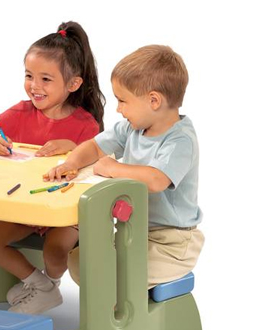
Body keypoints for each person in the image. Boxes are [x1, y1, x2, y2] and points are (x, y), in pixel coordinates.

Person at [45, 45, 204, 289]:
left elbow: (156, 180)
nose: (118, 109)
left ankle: (122, 308)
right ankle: (115, 304)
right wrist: (71, 163)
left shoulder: (180, 140)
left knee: (103, 271)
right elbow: (95, 147)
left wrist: (113, 168)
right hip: (134, 232)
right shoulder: (133, 128)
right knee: (80, 261)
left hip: (172, 244)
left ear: (153, 100)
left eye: (122, 101)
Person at [0, 21, 105, 314]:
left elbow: (97, 163)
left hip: (65, 212)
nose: (34, 86)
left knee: (55, 251)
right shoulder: (22, 112)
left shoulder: (85, 124)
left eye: (46, 79)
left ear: (73, 84)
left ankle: (51, 283)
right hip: (27, 206)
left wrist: (71, 146)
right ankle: (41, 286)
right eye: (29, 75)